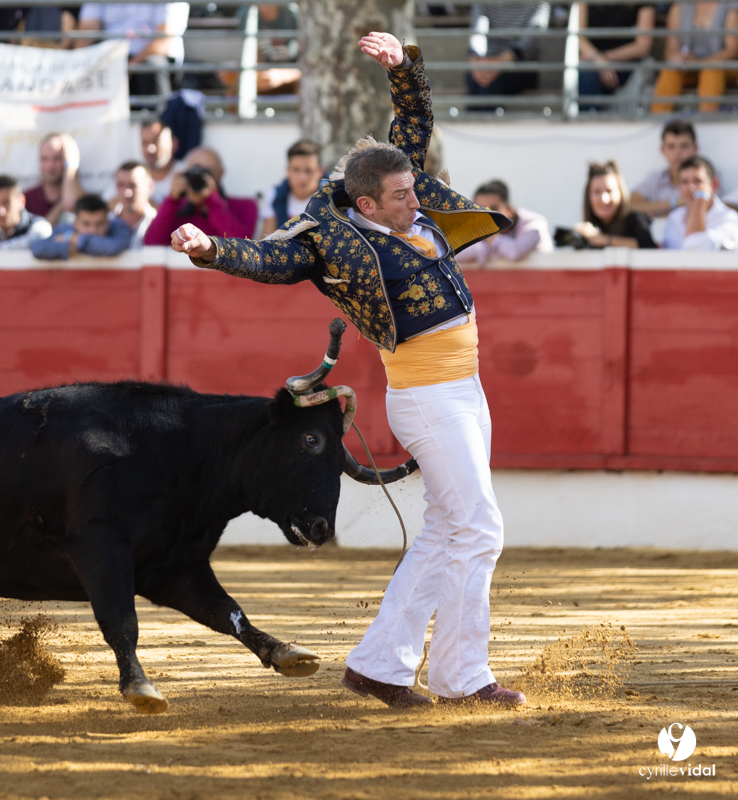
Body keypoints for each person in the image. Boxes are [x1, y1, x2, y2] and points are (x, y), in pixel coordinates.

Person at [171, 32, 526, 709]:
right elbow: (271, 261)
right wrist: (212, 247)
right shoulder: (335, 242)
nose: (413, 200)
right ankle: (464, 676)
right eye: (397, 196)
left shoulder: (401, 192)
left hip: (462, 389)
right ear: (365, 205)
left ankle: (380, 667)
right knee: (479, 527)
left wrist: (405, 66)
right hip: (428, 397)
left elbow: (413, 127)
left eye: (409, 189)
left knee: (450, 529)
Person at [143, 146, 259, 245]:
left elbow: (241, 244)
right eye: (193, 172)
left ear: (220, 173)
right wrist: (172, 200)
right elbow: (152, 243)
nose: (199, 177)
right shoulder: (176, 209)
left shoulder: (246, 206)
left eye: (206, 171)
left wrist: (211, 200)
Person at [78, 2, 184, 99]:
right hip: (110, 57)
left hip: (150, 58)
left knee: (151, 66)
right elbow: (87, 31)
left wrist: (129, 67)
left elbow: (162, 42)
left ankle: (157, 119)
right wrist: (79, 63)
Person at [652, 2, 738, 114]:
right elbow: (670, 51)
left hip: (721, 68)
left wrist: (700, 63)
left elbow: (732, 50)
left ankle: (708, 121)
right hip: (689, 67)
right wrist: (679, 57)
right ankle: (657, 122)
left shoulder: (730, 7)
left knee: (711, 71)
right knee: (670, 71)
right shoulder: (679, 7)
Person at [466, 2, 552, 108]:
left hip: (521, 65)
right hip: (488, 62)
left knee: (491, 83)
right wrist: (477, 59)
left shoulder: (538, 3)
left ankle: (485, 121)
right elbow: (478, 29)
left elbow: (533, 35)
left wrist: (501, 60)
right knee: (474, 77)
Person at [456, 179, 553, 265]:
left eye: (492, 209)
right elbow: (451, 253)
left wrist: (492, 239)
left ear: (509, 211)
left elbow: (515, 253)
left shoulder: (533, 224)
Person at [576, 3, 655, 107]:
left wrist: (605, 58)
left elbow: (643, 47)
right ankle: (591, 120)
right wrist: (598, 59)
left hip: (626, 63)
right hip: (593, 60)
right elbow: (578, 37)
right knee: (585, 75)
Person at [573, 161, 657, 249]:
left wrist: (602, 239)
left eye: (609, 191)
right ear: (588, 197)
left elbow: (647, 248)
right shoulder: (589, 229)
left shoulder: (635, 220)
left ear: (620, 193)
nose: (604, 200)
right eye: (597, 192)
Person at [632, 119, 704, 218]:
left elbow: (705, 211)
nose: (677, 152)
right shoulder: (655, 178)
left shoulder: (706, 177)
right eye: (671, 146)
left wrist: (655, 211)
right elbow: (632, 206)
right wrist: (677, 202)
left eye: (684, 146)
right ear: (662, 149)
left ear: (695, 148)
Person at [663, 155, 738, 250]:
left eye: (697, 181)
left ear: (714, 184)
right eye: (684, 182)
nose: (690, 187)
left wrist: (701, 197)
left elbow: (694, 244)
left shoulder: (729, 218)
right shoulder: (674, 218)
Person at [31, 194, 135, 260]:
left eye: (99, 224)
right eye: (86, 224)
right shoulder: (65, 229)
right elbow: (38, 248)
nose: (93, 230)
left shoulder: (120, 226)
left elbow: (112, 248)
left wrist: (73, 239)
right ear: (75, 223)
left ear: (108, 221)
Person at [259, 139, 326, 238]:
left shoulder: (331, 198)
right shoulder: (275, 194)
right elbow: (265, 241)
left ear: (320, 172)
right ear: (288, 170)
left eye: (308, 170)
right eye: (296, 169)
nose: (302, 177)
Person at [23, 133, 84, 225]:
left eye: (57, 158)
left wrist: (71, 165)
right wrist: (60, 206)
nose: (50, 166)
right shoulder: (27, 199)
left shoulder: (81, 195)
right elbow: (38, 235)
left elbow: (72, 204)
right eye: (44, 159)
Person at [113, 161, 157, 248]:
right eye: (121, 185)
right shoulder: (106, 223)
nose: (127, 192)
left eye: (133, 185)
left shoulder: (159, 222)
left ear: (150, 186)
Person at [140, 119, 182, 204]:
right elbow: (111, 203)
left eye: (156, 141)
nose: (150, 149)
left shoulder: (186, 173)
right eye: (145, 143)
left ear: (174, 143)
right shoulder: (131, 175)